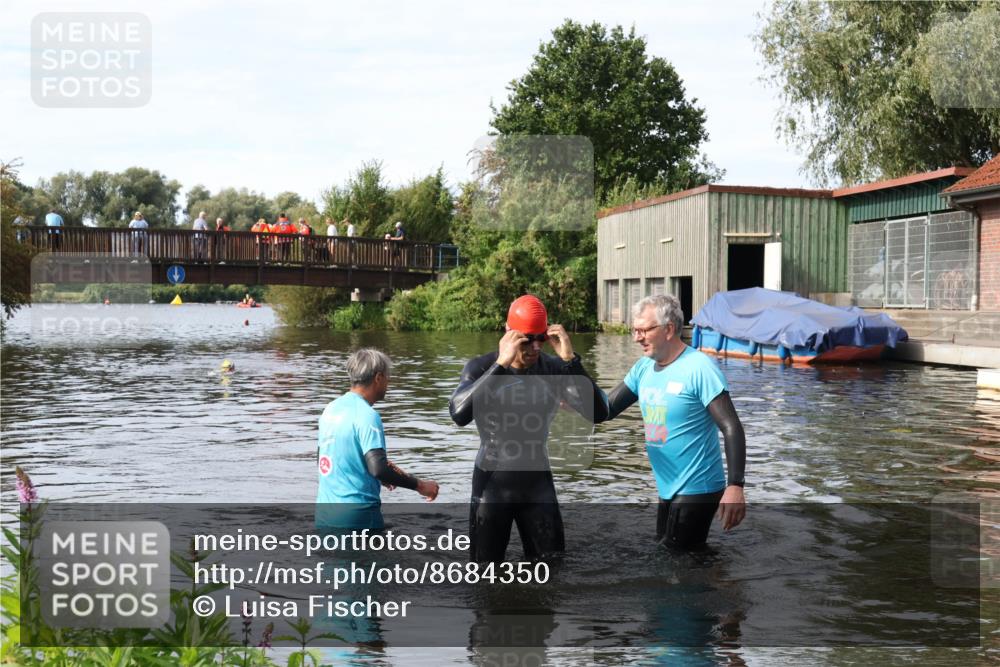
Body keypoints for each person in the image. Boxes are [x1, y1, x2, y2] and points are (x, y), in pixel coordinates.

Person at [449, 295, 609, 563]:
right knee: (485, 578)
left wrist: (572, 362)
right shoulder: (481, 367)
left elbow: (598, 413)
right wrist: (500, 365)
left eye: (541, 338)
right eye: (527, 339)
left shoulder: (554, 369)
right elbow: (459, 414)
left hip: (538, 487)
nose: (535, 347)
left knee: (552, 574)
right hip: (492, 487)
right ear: (508, 332)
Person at [601, 294, 746, 551]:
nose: (637, 337)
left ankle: (724, 587)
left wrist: (735, 486)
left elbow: (731, 427)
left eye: (644, 330)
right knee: (670, 555)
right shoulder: (644, 368)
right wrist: (571, 369)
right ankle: (719, 579)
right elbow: (605, 410)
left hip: (698, 485)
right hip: (668, 485)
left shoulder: (699, 368)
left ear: (668, 329)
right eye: (635, 330)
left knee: (677, 560)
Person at [316, 348, 439, 531]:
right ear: (378, 377)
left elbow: (326, 459)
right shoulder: (367, 415)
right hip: (358, 517)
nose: (388, 383)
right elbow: (379, 468)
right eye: (388, 378)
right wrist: (421, 485)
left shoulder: (330, 409)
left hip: (325, 515)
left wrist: (375, 472)